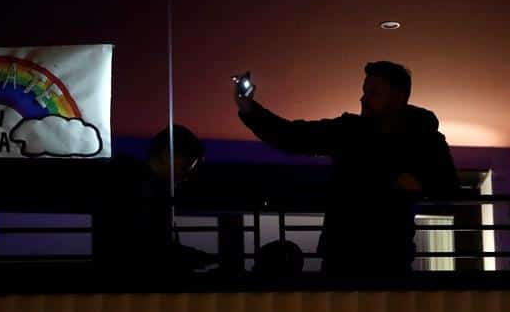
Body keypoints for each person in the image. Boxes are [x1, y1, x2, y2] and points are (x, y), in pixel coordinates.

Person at [235, 61, 459, 277]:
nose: (363, 98)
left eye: (373, 92)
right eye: (365, 91)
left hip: (383, 258)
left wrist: (421, 184)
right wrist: (249, 110)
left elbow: (450, 189)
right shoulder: (351, 131)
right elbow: (293, 136)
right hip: (356, 256)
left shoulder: (423, 139)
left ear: (398, 98)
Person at [93, 125, 215, 273]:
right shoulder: (148, 193)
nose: (186, 176)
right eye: (185, 167)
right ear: (167, 155)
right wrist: (200, 258)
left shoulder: (131, 185)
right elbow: (153, 249)